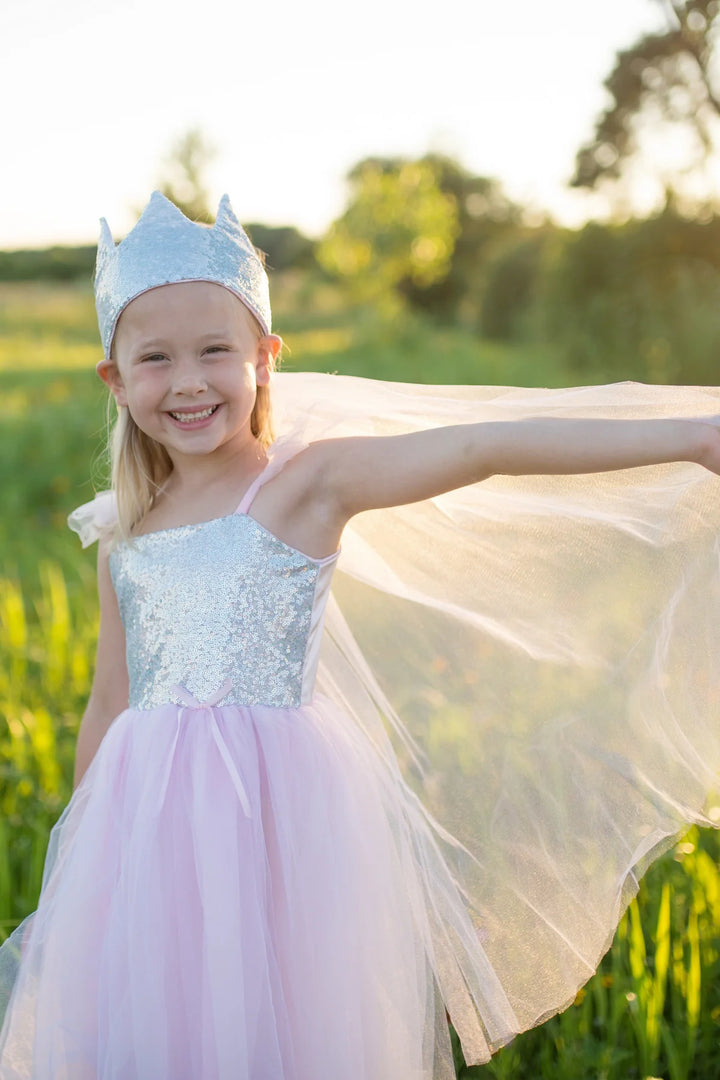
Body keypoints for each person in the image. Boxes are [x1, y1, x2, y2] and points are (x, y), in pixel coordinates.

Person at [1, 191, 719, 1080]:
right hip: (146, 831)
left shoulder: (308, 485)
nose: (188, 381)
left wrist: (694, 436)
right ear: (114, 378)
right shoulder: (126, 531)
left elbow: (480, 448)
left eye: (216, 351)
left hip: (281, 814)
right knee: (168, 1029)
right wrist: (83, 878)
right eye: (156, 358)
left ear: (266, 358)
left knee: (283, 1023)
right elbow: (110, 701)